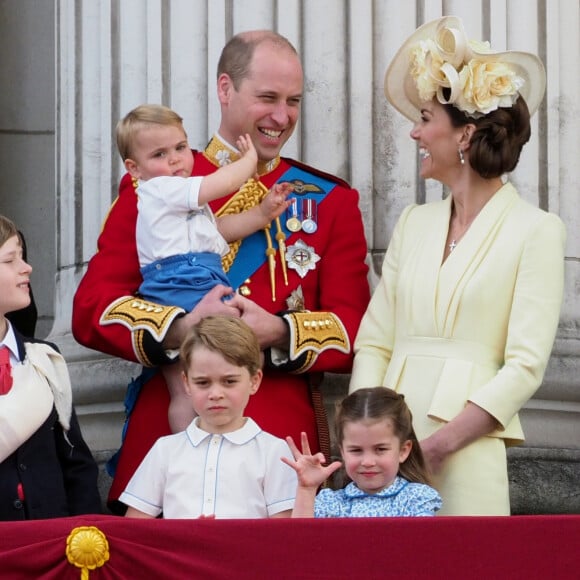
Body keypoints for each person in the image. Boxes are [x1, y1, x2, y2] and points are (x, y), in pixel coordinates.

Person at [72, 30, 370, 513]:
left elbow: (358, 331)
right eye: (267, 98)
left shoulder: (329, 202)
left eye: (293, 101)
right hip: (171, 449)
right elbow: (91, 308)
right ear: (226, 89)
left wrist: (278, 331)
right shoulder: (156, 183)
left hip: (277, 453)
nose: (282, 116)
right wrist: (179, 327)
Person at [349, 16, 566, 515]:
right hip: (385, 455)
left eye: (425, 118)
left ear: (465, 135)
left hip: (466, 451)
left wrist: (439, 447)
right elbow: (376, 340)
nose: (413, 133)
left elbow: (525, 366)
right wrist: (366, 440)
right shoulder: (414, 221)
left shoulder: (537, 230)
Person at [116, 104, 292, 432]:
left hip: (181, 283)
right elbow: (218, 185)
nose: (175, 160)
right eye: (159, 154)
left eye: (181, 148)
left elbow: (219, 232)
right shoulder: (162, 188)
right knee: (236, 361)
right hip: (184, 284)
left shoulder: (176, 200)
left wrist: (263, 214)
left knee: (186, 388)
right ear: (134, 169)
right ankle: (196, 448)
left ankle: (190, 447)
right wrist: (249, 163)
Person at [120, 316, 297, 518]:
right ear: (186, 383)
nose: (215, 394)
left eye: (229, 381)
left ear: (254, 381)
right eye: (203, 383)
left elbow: (284, 534)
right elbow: (136, 526)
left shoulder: (273, 451)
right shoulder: (165, 450)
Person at [0, 215, 101, 520]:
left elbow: (76, 461)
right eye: (10, 259)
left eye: (23, 256)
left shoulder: (46, 358)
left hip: (52, 545)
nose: (26, 267)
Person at [282, 387, 441, 517]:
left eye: (380, 449)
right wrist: (307, 489)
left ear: (403, 451)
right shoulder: (331, 503)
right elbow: (301, 544)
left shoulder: (416, 498)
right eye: (356, 450)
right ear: (342, 452)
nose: (368, 462)